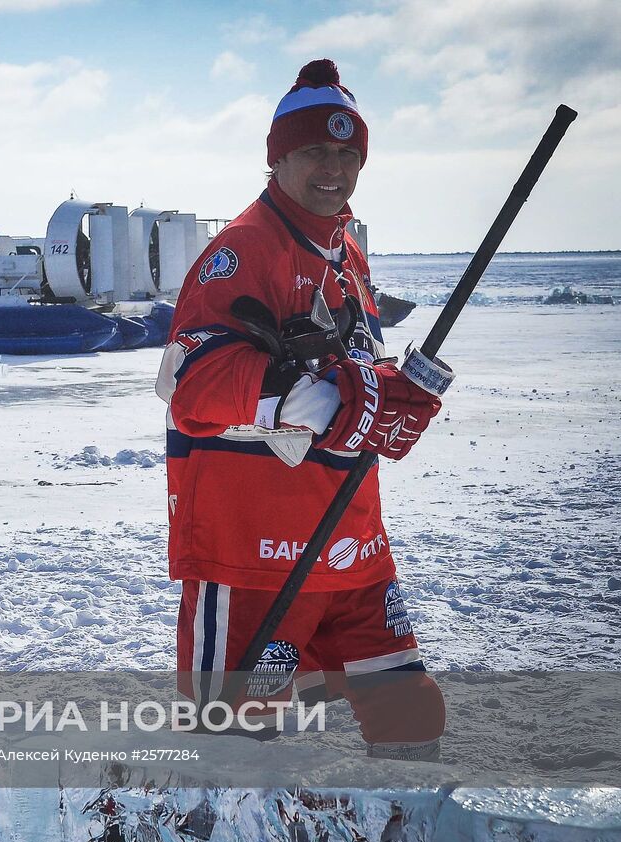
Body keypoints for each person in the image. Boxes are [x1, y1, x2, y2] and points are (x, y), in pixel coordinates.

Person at [154, 59, 451, 760]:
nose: (335, 167)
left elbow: (350, 367)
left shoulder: (346, 251)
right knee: (236, 745)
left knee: (410, 712)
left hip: (351, 544)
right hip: (256, 558)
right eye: (317, 149)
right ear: (278, 156)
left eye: (349, 153)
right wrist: (301, 397)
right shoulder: (239, 251)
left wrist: (389, 392)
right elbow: (189, 379)